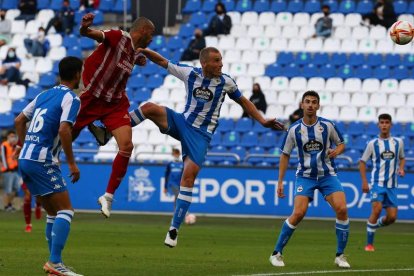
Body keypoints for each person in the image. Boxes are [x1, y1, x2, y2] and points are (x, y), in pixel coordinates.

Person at [109, 46, 284, 247]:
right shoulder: (189, 73)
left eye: (221, 60)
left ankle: (174, 230)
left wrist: (262, 121)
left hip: (201, 136)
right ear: (204, 63)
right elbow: (163, 61)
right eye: (217, 61)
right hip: (182, 123)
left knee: (188, 178)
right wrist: (144, 50)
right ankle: (111, 128)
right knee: (149, 108)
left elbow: (244, 102)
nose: (221, 64)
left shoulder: (226, 82)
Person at [73, 13, 155, 218]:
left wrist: (140, 58)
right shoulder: (119, 37)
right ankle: (45, 161)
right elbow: (92, 34)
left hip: (114, 104)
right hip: (92, 97)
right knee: (67, 134)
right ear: (143, 31)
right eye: (151, 34)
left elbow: (132, 57)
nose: (152, 39)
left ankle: (108, 196)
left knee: (127, 146)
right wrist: (85, 28)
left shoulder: (134, 52)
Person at [14, 56, 83, 276]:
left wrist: (21, 144)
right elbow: (64, 130)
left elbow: (18, 120)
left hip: (25, 159)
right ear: (77, 75)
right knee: (66, 210)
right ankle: (55, 262)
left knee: (52, 212)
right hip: (42, 160)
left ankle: (54, 263)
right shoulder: (72, 99)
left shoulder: (43, 95)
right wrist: (72, 163)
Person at [269, 91, 350, 268]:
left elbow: (342, 143)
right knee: (298, 213)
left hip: (327, 175)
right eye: (307, 102)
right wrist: (280, 181)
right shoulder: (294, 130)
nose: (311, 105)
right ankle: (276, 253)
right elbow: (284, 155)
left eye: (314, 102)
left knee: (342, 209)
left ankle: (340, 255)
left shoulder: (328, 126)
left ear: (318, 106)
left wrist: (337, 151)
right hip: (305, 176)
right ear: (302, 105)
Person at [359, 113, 405, 252]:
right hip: (377, 184)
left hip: (392, 185)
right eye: (382, 122)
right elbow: (362, 162)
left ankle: (373, 225)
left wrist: (401, 169)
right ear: (378, 125)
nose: (384, 125)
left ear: (391, 125)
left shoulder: (398, 142)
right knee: (377, 210)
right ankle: (369, 244)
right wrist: (364, 182)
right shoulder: (372, 144)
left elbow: (402, 158)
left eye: (386, 122)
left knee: (392, 218)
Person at [1, 130, 20, 212]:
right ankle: (6, 206)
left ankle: (9, 204)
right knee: (8, 190)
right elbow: (3, 158)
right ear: (8, 137)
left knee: (16, 188)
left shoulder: (14, 146)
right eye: (11, 136)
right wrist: (6, 168)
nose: (13, 138)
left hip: (15, 170)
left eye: (14, 136)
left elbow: (16, 157)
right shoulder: (4, 145)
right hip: (7, 170)